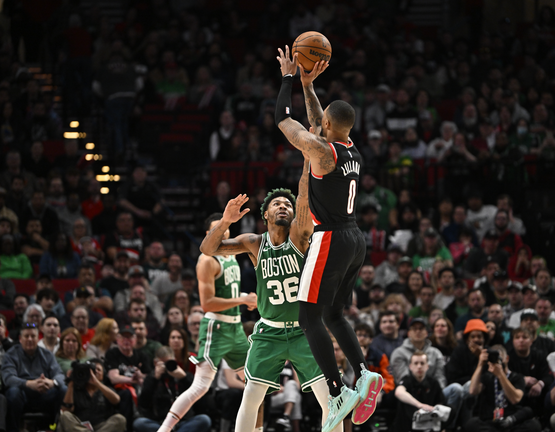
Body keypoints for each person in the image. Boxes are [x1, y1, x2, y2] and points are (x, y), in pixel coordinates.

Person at [275, 47, 385, 432]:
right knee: (334, 315)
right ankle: (363, 372)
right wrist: (308, 87)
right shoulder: (351, 149)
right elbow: (318, 122)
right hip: (356, 238)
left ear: (327, 124)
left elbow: (283, 121)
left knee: (308, 317)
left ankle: (338, 391)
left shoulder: (321, 151)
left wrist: (289, 79)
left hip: (330, 239)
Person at [198, 162, 344, 432]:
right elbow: (208, 249)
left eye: (287, 206)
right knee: (251, 396)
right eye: (277, 204)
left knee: (330, 399)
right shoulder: (254, 242)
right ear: (265, 214)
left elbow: (303, 194)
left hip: (305, 330)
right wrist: (226, 221)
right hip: (269, 332)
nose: (283, 207)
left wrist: (306, 157)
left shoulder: (300, 235)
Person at [153, 213, 257, 432]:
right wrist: (242, 299)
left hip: (236, 327)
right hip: (216, 327)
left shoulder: (232, 253)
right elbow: (207, 303)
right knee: (200, 386)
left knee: (255, 383)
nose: (222, 231)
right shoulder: (207, 259)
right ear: (208, 234)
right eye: (216, 228)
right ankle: (164, 429)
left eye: (225, 226)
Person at [2, 323, 67, 432]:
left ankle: (56, 427)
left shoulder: (47, 354)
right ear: (20, 339)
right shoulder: (11, 354)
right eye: (26, 336)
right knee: (13, 392)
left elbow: (60, 375)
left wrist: (51, 382)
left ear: (38, 338)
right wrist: (29, 384)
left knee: (63, 389)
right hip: (22, 393)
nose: (30, 339)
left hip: (44, 393)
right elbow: (8, 378)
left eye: (33, 336)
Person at [464, 345, 541, 432]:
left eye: (499, 358)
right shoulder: (487, 377)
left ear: (507, 358)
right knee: (471, 424)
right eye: (493, 359)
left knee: (534, 425)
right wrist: (480, 364)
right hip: (490, 423)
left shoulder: (517, 377)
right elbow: (473, 390)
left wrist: (500, 375)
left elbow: (515, 399)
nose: (497, 361)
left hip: (511, 421)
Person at [135, 346, 212, 432]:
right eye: (163, 364)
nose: (166, 367)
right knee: (139, 423)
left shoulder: (183, 376)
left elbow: (202, 395)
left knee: (204, 419)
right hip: (160, 422)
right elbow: (143, 403)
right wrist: (154, 379)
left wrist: (185, 378)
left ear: (174, 361)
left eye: (169, 362)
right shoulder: (151, 379)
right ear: (155, 363)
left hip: (183, 421)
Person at [59, 358, 127, 432]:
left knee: (120, 419)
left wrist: (96, 383)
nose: (95, 372)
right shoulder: (76, 389)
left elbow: (116, 400)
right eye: (92, 370)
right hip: (80, 426)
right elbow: (67, 410)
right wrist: (71, 384)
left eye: (98, 370)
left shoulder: (107, 389)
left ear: (103, 374)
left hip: (103, 427)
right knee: (65, 416)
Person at [105, 325, 153, 428]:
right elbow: (113, 378)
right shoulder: (112, 354)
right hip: (118, 389)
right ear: (118, 339)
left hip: (139, 388)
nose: (126, 340)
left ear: (135, 340)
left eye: (130, 337)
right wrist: (133, 380)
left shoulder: (142, 355)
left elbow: (149, 377)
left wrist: (141, 376)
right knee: (127, 394)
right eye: (123, 337)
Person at [393, 350, 450, 432]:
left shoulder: (433, 382)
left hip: (429, 421)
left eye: (422, 363)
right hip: (409, 424)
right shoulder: (407, 380)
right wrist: (420, 405)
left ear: (427, 366)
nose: (419, 366)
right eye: (416, 363)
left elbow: (440, 402)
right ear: (410, 366)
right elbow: (399, 392)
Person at [506, 328, 552, 418]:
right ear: (513, 341)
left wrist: (540, 384)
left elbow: (548, 376)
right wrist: (521, 379)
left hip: (538, 394)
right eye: (517, 337)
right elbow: (504, 376)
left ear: (531, 341)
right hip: (516, 394)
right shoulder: (508, 358)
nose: (521, 340)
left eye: (524, 337)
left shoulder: (540, 355)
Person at [389, 318, 447, 387]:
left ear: (426, 333)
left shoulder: (436, 353)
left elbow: (440, 378)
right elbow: (403, 379)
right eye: (414, 329)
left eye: (421, 328)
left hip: (433, 392)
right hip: (408, 393)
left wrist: (435, 394)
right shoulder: (399, 353)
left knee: (455, 388)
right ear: (409, 333)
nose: (418, 331)